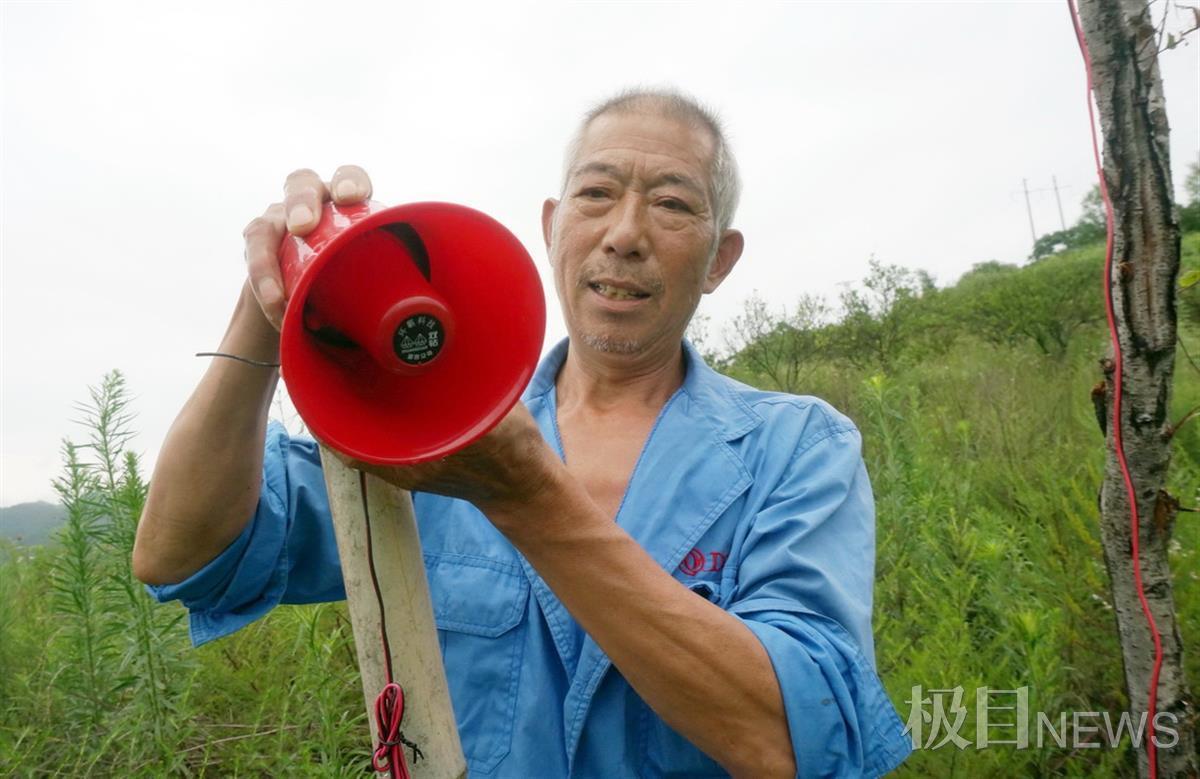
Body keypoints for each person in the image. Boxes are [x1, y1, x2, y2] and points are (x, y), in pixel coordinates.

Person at [133, 88, 913, 778]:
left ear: (720, 259)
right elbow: (184, 554)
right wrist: (268, 311)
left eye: (673, 203)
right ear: (552, 226)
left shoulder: (798, 448)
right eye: (597, 193)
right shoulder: (420, 428)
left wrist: (528, 498)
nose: (625, 233)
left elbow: (797, 742)